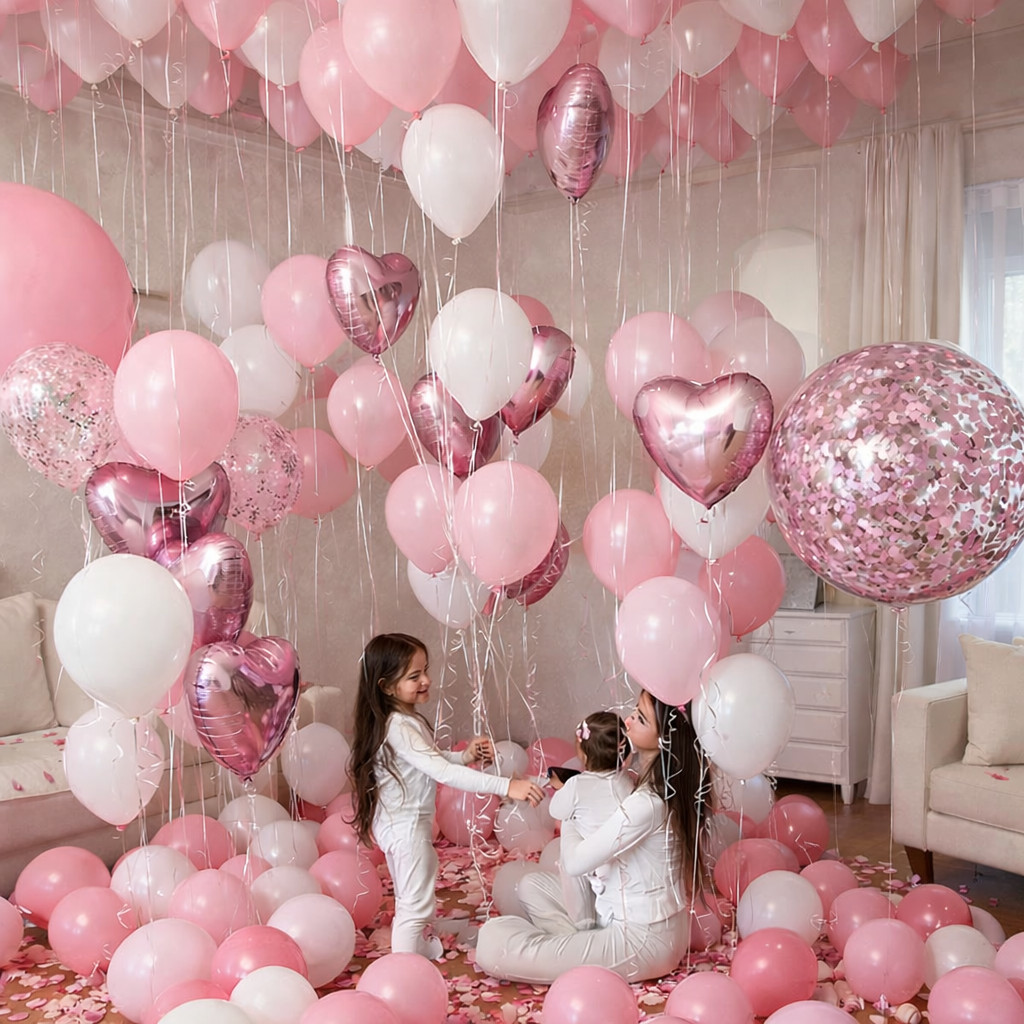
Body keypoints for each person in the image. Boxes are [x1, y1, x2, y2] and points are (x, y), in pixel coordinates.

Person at [475, 690, 707, 983]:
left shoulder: (647, 802)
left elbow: (574, 863)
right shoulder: (637, 782)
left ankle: (577, 948)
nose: (628, 721)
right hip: (612, 914)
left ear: (663, 740)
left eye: (640, 719)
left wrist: (571, 811)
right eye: (634, 711)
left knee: (492, 945)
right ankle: (580, 946)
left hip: (642, 939)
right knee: (531, 885)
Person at [348, 633, 544, 960]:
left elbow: (427, 760)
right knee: (413, 907)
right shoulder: (400, 726)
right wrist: (506, 786)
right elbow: (441, 772)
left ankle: (421, 949)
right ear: (387, 687)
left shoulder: (401, 720)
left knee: (414, 898)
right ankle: (404, 969)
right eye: (414, 676)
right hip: (406, 830)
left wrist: (463, 757)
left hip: (400, 826)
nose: (426, 680)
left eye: (425, 670)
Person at [548, 711, 632, 929]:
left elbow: (556, 810)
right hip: (624, 865)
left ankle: (581, 918)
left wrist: (563, 789)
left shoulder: (576, 785)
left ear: (584, 756)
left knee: (569, 823)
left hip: (590, 864)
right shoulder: (628, 781)